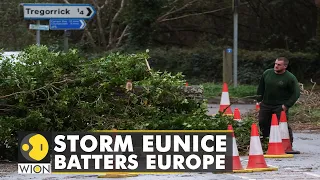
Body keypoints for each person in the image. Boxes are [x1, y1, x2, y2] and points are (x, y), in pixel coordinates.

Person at [256, 57, 300, 151]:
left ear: (285, 66)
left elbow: (296, 93)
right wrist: (259, 99)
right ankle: (266, 143)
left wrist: (287, 105)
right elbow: (261, 87)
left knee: (282, 124)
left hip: (280, 106)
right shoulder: (267, 73)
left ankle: (288, 146)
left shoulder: (290, 78)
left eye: (279, 64)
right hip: (266, 104)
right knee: (263, 122)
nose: (276, 66)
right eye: (275, 64)